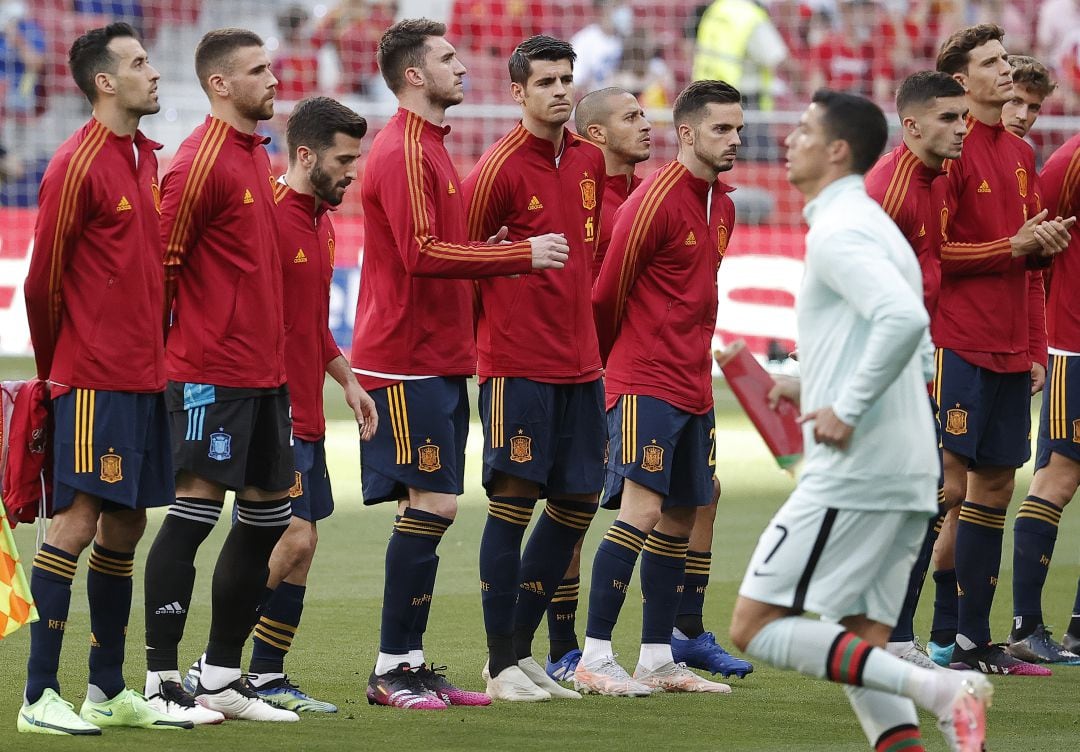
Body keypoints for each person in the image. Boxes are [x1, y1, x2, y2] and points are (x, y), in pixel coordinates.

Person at [729, 88, 992, 752]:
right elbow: (905, 340)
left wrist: (844, 408)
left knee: (755, 625)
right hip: (902, 466)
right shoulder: (868, 224)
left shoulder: (843, 229)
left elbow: (903, 322)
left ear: (837, 150)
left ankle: (944, 692)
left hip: (859, 470)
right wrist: (807, 381)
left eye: (805, 129)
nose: (789, 138)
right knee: (857, 640)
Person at [351, 18, 569, 711]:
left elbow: (443, 247)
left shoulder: (433, 148)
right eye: (447, 59)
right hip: (405, 358)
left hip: (437, 355)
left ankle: (411, 663)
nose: (462, 66)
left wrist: (490, 246)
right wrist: (518, 254)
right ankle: (391, 667)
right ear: (414, 75)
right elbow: (420, 254)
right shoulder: (404, 151)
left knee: (431, 507)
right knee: (435, 503)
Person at [18, 22, 192, 735]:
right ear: (104, 81)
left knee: (127, 522)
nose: (154, 73)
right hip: (92, 378)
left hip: (146, 378)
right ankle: (37, 697)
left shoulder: (143, 159)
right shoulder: (76, 162)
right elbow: (41, 283)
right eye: (140, 63)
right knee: (80, 520)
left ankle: (107, 689)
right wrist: (63, 373)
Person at [557, 86, 752, 685]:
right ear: (688, 133)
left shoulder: (723, 204)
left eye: (738, 129)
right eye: (721, 129)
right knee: (640, 511)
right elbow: (607, 295)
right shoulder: (652, 201)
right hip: (646, 379)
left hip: (695, 382)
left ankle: (658, 658)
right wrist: (619, 372)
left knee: (685, 513)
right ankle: (592, 657)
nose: (736, 140)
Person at [140, 28, 298, 723]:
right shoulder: (197, 163)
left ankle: (222, 677)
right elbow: (158, 272)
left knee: (270, 517)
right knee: (195, 512)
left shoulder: (253, 158)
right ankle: (159, 678)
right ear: (219, 84)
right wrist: (163, 369)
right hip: (209, 372)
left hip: (265, 375)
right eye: (258, 70)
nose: (273, 78)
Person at [460, 35, 605, 703]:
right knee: (514, 503)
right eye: (545, 80)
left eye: (565, 78)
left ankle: (520, 653)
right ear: (518, 92)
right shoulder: (496, 169)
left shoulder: (587, 161)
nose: (559, 89)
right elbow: (454, 257)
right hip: (518, 364)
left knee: (577, 502)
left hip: (581, 366)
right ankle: (497, 663)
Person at [927, 24, 1073, 676]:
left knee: (994, 489)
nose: (1006, 69)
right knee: (946, 492)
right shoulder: (949, 155)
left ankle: (972, 642)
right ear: (962, 80)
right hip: (959, 343)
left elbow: (1034, 261)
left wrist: (1038, 347)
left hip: (1016, 350)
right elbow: (935, 257)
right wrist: (1007, 250)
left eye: (1005, 57)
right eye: (991, 62)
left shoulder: (1019, 153)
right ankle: (921, 636)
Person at [241, 96, 379, 711]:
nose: (354, 170)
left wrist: (346, 380)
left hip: (308, 411)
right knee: (292, 539)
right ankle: (216, 666)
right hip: (268, 410)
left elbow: (311, 323)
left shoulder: (321, 221)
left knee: (303, 545)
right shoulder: (265, 216)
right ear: (305, 155)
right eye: (344, 158)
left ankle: (266, 674)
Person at [863, 70, 968, 669]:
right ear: (911, 125)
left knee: (919, 503)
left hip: (912, 370)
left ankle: (893, 639)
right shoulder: (892, 188)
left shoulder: (935, 180)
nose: (961, 129)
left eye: (963, 117)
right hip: (882, 376)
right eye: (949, 118)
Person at [1005, 127, 1080, 664]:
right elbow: (1034, 237)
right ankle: (1026, 625)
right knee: (1058, 475)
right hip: (1076, 346)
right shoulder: (1071, 159)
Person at [1001, 55, 1056, 140]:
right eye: (1015, 101)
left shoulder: (1026, 152)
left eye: (1033, 108)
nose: (1023, 116)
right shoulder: (973, 143)